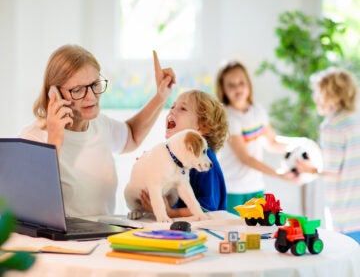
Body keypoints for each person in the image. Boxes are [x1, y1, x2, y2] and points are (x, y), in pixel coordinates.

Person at [19, 44, 175, 217]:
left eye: (95, 84)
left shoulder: (100, 125)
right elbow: (29, 205)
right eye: (77, 90)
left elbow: (131, 135)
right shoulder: (32, 138)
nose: (91, 97)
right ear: (54, 93)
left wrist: (161, 96)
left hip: (104, 238)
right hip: (62, 242)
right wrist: (55, 140)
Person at [215, 61, 295, 215]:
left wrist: (300, 144)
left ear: (248, 84)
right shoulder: (228, 117)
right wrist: (278, 174)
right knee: (234, 235)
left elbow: (272, 143)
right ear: (223, 89)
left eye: (241, 82)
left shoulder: (258, 111)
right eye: (231, 85)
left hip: (256, 187)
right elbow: (245, 158)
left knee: (259, 234)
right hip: (232, 190)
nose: (237, 88)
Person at [140, 90, 229, 218]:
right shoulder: (175, 159)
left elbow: (209, 209)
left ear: (202, 127)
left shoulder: (206, 163)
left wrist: (170, 213)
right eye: (172, 106)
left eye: (182, 108)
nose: (172, 111)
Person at [296, 67, 360, 239]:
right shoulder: (354, 121)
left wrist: (311, 169)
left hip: (345, 215)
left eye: (318, 92)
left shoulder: (332, 127)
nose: (314, 97)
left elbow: (332, 170)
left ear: (331, 95)